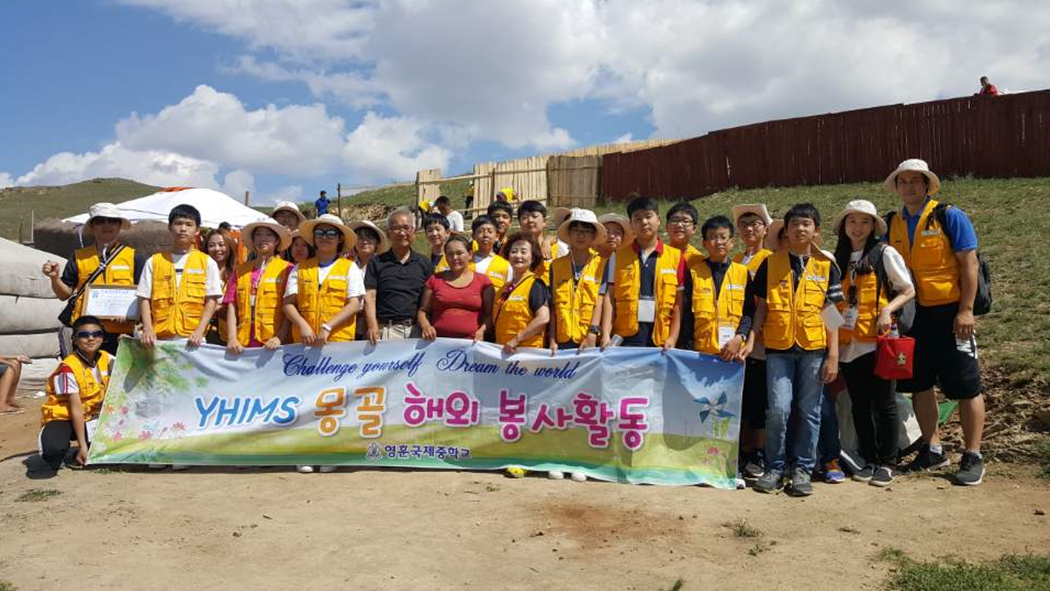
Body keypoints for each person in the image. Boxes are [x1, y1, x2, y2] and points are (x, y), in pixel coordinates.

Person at [884, 158, 985, 485]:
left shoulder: (949, 216)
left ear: (928, 185)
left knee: (967, 385)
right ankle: (933, 448)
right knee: (920, 383)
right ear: (897, 187)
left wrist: (966, 310)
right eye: (904, 182)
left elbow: (969, 265)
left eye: (916, 181)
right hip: (914, 315)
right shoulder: (892, 222)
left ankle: (973, 455)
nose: (910, 186)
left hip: (950, 312)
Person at [751, 204, 843, 496]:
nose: (800, 229)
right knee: (778, 409)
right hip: (778, 349)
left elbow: (832, 314)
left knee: (809, 411)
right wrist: (752, 338)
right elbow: (762, 308)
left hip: (814, 350)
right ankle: (774, 467)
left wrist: (833, 355)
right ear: (786, 231)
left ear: (816, 230)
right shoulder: (770, 263)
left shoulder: (827, 266)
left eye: (806, 224)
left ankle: (802, 468)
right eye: (794, 225)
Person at [832, 199, 915, 487]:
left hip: (879, 342)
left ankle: (888, 461)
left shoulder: (884, 253)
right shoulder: (837, 259)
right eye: (852, 221)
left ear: (873, 226)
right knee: (859, 405)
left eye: (864, 222)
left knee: (885, 403)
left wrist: (886, 310)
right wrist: (830, 338)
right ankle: (868, 457)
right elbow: (828, 303)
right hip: (848, 345)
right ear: (844, 226)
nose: (858, 227)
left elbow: (908, 289)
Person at [41, 202, 144, 356]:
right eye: (100, 221)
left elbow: (145, 295)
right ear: (93, 226)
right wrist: (55, 278)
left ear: (119, 225)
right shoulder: (79, 257)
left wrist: (132, 314)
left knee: (117, 378)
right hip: (86, 333)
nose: (106, 225)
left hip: (121, 333)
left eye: (112, 220)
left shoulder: (134, 257)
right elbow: (64, 294)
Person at [602, 196, 685, 351]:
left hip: (661, 341)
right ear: (631, 224)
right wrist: (606, 333)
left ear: (658, 220)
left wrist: (673, 338)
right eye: (637, 219)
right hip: (625, 340)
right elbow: (609, 298)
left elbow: (678, 304)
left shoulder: (676, 257)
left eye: (648, 216)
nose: (644, 222)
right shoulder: (618, 256)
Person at [138, 204, 223, 349]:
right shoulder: (154, 261)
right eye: (178, 223)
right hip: (159, 337)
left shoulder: (207, 262)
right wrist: (148, 328)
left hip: (193, 338)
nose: (183, 229)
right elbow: (144, 298)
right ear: (169, 227)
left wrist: (200, 331)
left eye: (189, 225)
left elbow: (212, 300)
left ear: (197, 230)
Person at [731, 204, 774, 478]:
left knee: (759, 400)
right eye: (744, 224)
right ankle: (740, 450)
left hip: (764, 340)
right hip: (736, 338)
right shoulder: (735, 259)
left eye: (755, 223)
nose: (749, 228)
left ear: (765, 229)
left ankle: (757, 452)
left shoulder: (772, 258)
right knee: (740, 399)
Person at [38, 315, 111, 472]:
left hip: (91, 416)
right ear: (75, 339)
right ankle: (51, 440)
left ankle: (85, 447)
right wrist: (83, 446)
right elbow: (75, 409)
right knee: (54, 451)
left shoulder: (106, 358)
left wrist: (133, 338)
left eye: (97, 334)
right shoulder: (68, 368)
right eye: (84, 335)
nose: (91, 338)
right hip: (65, 417)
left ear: (102, 337)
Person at [284, 214, 363, 347]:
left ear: (340, 239)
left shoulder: (350, 267)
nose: (324, 237)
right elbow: (288, 304)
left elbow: (354, 305)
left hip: (338, 343)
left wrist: (327, 327)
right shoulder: (300, 268)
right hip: (303, 342)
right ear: (314, 238)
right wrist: (303, 326)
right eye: (319, 233)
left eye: (331, 233)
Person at [686, 215, 754, 360]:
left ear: (732, 243)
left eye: (723, 237)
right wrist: (689, 350)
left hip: (733, 352)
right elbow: (686, 316)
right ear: (704, 243)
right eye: (712, 238)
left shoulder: (742, 273)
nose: (718, 242)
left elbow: (748, 312)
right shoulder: (694, 273)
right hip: (699, 354)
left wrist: (740, 337)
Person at [364, 208, 434, 343]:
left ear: (413, 232)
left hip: (417, 332)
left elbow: (429, 302)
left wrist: (426, 325)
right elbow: (370, 297)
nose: (402, 233)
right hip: (385, 331)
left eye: (406, 228)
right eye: (396, 228)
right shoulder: (376, 262)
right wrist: (372, 327)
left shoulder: (424, 263)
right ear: (388, 233)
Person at [225, 219, 293, 355]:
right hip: (243, 342)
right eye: (258, 235)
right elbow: (232, 305)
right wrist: (232, 338)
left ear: (277, 241)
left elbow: (291, 306)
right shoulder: (240, 270)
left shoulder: (287, 269)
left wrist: (280, 337)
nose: (263, 239)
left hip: (274, 343)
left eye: (268, 235)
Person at [548, 209, 606, 355]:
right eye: (576, 230)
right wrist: (552, 339)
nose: (581, 235)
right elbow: (553, 305)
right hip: (562, 340)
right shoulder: (556, 265)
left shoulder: (603, 264)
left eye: (586, 231)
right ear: (569, 234)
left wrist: (593, 333)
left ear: (594, 235)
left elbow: (602, 303)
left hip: (590, 340)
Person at [418, 234, 494, 341]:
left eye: (459, 253)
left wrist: (482, 331)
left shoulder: (484, 282)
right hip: (438, 343)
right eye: (450, 254)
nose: (454, 258)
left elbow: (489, 315)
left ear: (470, 254)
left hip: (472, 344)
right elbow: (423, 311)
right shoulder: (434, 280)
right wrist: (426, 326)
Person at [493, 233, 550, 353]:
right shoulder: (503, 288)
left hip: (526, 353)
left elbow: (543, 318)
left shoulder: (536, 284)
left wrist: (517, 340)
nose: (518, 255)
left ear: (532, 258)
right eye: (514, 251)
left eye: (524, 252)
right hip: (502, 353)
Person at [667, 203, 703, 349]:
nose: (679, 225)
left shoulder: (699, 260)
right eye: (675, 220)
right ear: (666, 226)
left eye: (685, 221)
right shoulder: (659, 256)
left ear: (694, 228)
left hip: (690, 326)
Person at [205, 228, 238, 345]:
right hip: (202, 332)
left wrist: (217, 308)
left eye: (221, 245)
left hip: (229, 335)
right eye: (212, 245)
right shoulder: (200, 271)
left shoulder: (239, 272)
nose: (217, 249)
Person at [517, 200, 559, 279]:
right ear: (519, 222)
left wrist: (547, 241)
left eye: (534, 216)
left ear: (544, 221)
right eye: (525, 217)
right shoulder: (512, 248)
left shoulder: (556, 248)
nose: (530, 220)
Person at [469, 215, 512, 290]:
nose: (485, 235)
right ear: (473, 236)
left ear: (497, 236)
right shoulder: (465, 261)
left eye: (490, 231)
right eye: (481, 231)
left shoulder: (505, 265)